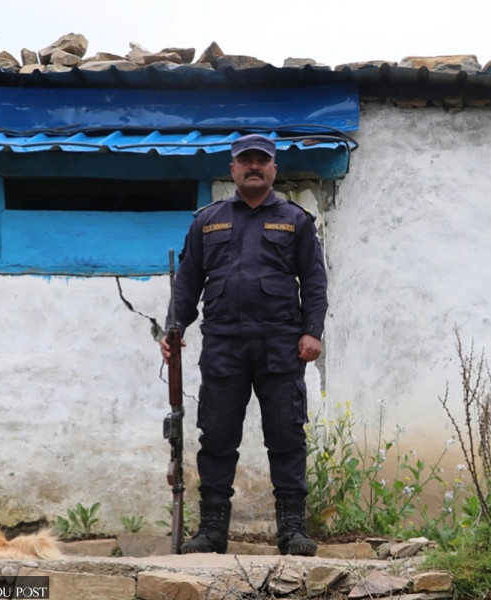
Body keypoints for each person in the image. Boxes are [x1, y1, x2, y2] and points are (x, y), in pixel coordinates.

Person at [160, 133, 327, 556]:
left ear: (274, 169)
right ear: (232, 169)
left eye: (262, 161)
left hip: (280, 347)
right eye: (245, 160)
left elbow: (314, 281)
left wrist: (312, 332)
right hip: (223, 348)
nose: (254, 166)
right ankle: (212, 533)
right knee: (216, 437)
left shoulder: (296, 220)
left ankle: (291, 531)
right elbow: (188, 282)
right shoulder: (207, 221)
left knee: (286, 437)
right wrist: (173, 329)